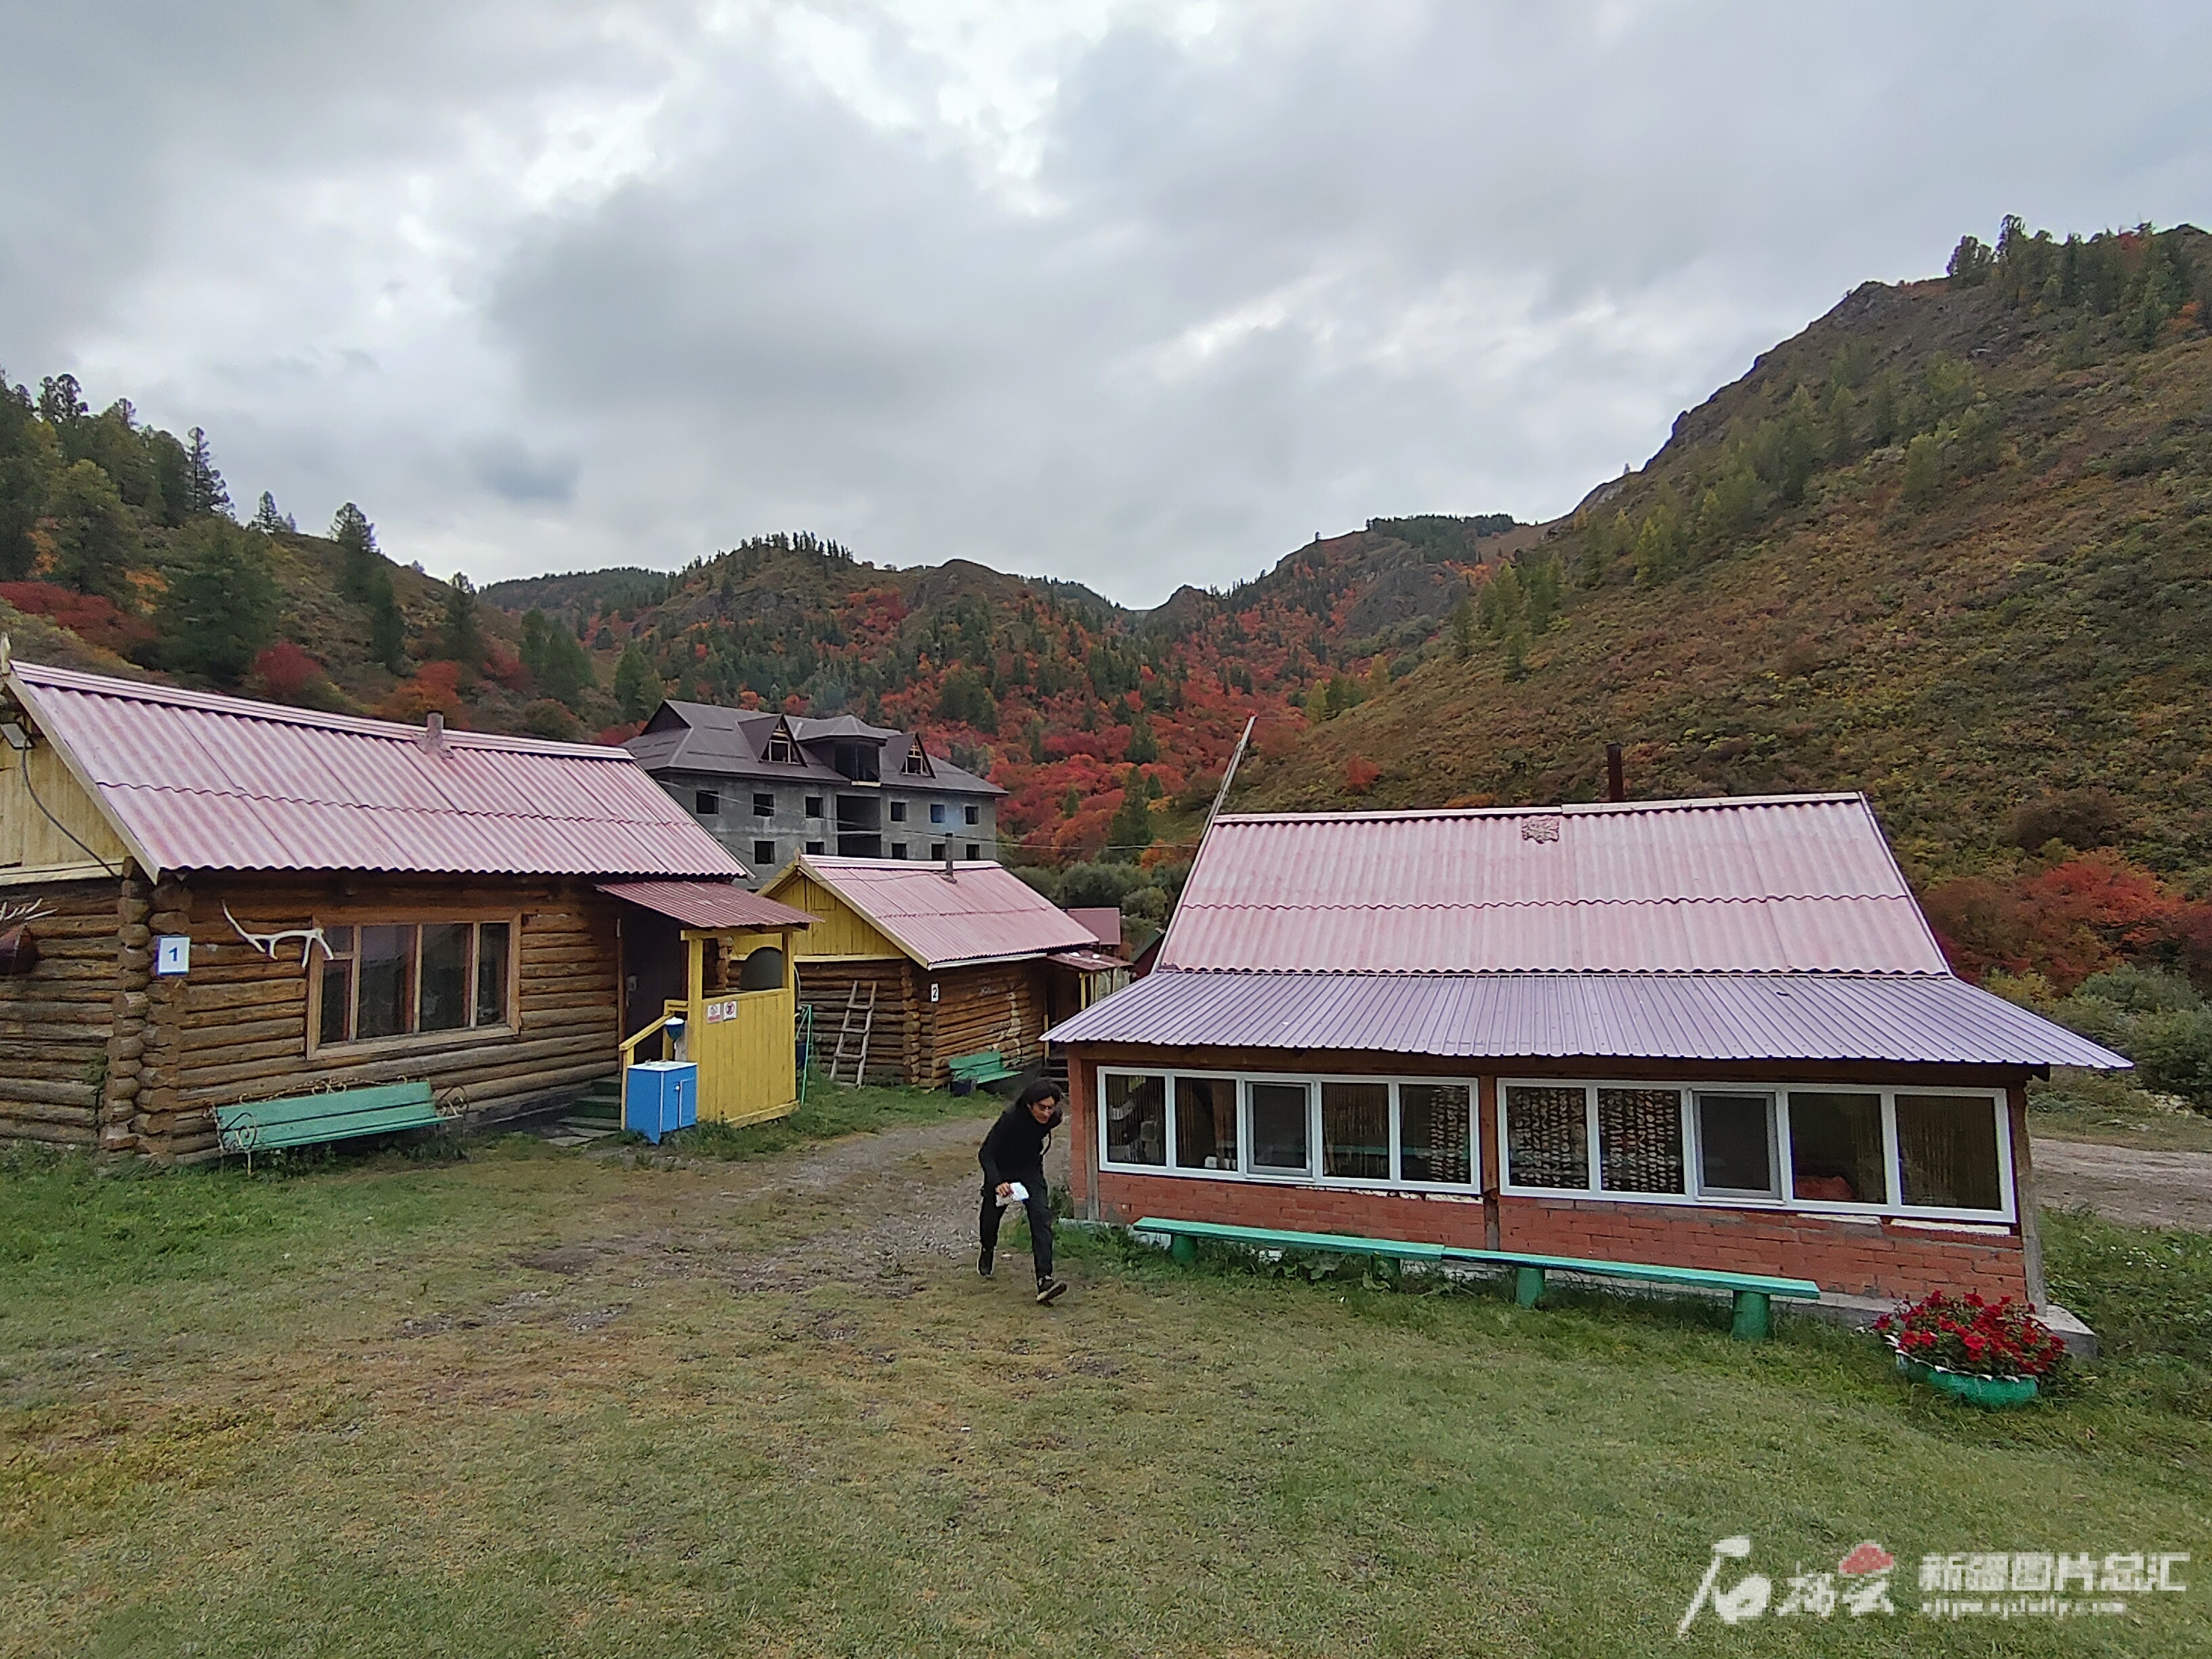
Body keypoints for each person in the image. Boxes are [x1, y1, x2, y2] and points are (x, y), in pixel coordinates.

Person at [978, 1080, 1067, 1305]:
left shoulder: (1053, 1119)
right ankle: (987, 1249)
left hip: (1030, 1171)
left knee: (1041, 1217)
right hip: (1002, 1170)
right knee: (990, 1221)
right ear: (1029, 1105)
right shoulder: (1010, 1119)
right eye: (1042, 1108)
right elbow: (986, 1153)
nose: (1047, 1113)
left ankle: (1044, 1280)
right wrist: (997, 1182)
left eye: (1051, 1107)